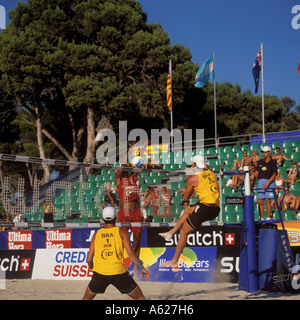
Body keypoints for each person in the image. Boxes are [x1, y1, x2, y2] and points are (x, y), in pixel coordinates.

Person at [160, 155, 220, 267]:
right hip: (215, 208)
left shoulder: (193, 179)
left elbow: (186, 198)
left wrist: (188, 190)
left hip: (205, 208)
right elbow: (203, 187)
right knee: (188, 210)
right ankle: (170, 233)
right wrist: (191, 190)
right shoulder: (210, 173)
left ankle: (174, 261)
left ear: (193, 165)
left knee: (183, 232)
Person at [82, 207, 149, 300]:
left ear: (102, 218)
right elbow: (131, 253)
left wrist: (94, 270)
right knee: (140, 298)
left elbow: (89, 260)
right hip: (118, 272)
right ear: (116, 217)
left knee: (86, 298)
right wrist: (142, 268)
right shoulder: (122, 232)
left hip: (100, 273)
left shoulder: (96, 234)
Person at [114, 152, 143, 277]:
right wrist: (128, 152)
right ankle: (120, 265)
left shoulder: (133, 177)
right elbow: (121, 170)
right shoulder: (119, 179)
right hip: (124, 212)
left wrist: (139, 150)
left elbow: (138, 168)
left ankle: (136, 268)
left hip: (136, 212)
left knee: (137, 240)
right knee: (121, 241)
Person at [253, 146, 278, 220]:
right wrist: (253, 182)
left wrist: (268, 183)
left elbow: (274, 174)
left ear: (269, 152)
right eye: (263, 152)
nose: (264, 153)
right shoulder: (260, 161)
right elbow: (256, 172)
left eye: (265, 152)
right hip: (261, 181)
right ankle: (261, 217)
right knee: (260, 201)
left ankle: (268, 217)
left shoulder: (273, 162)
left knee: (267, 200)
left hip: (269, 181)